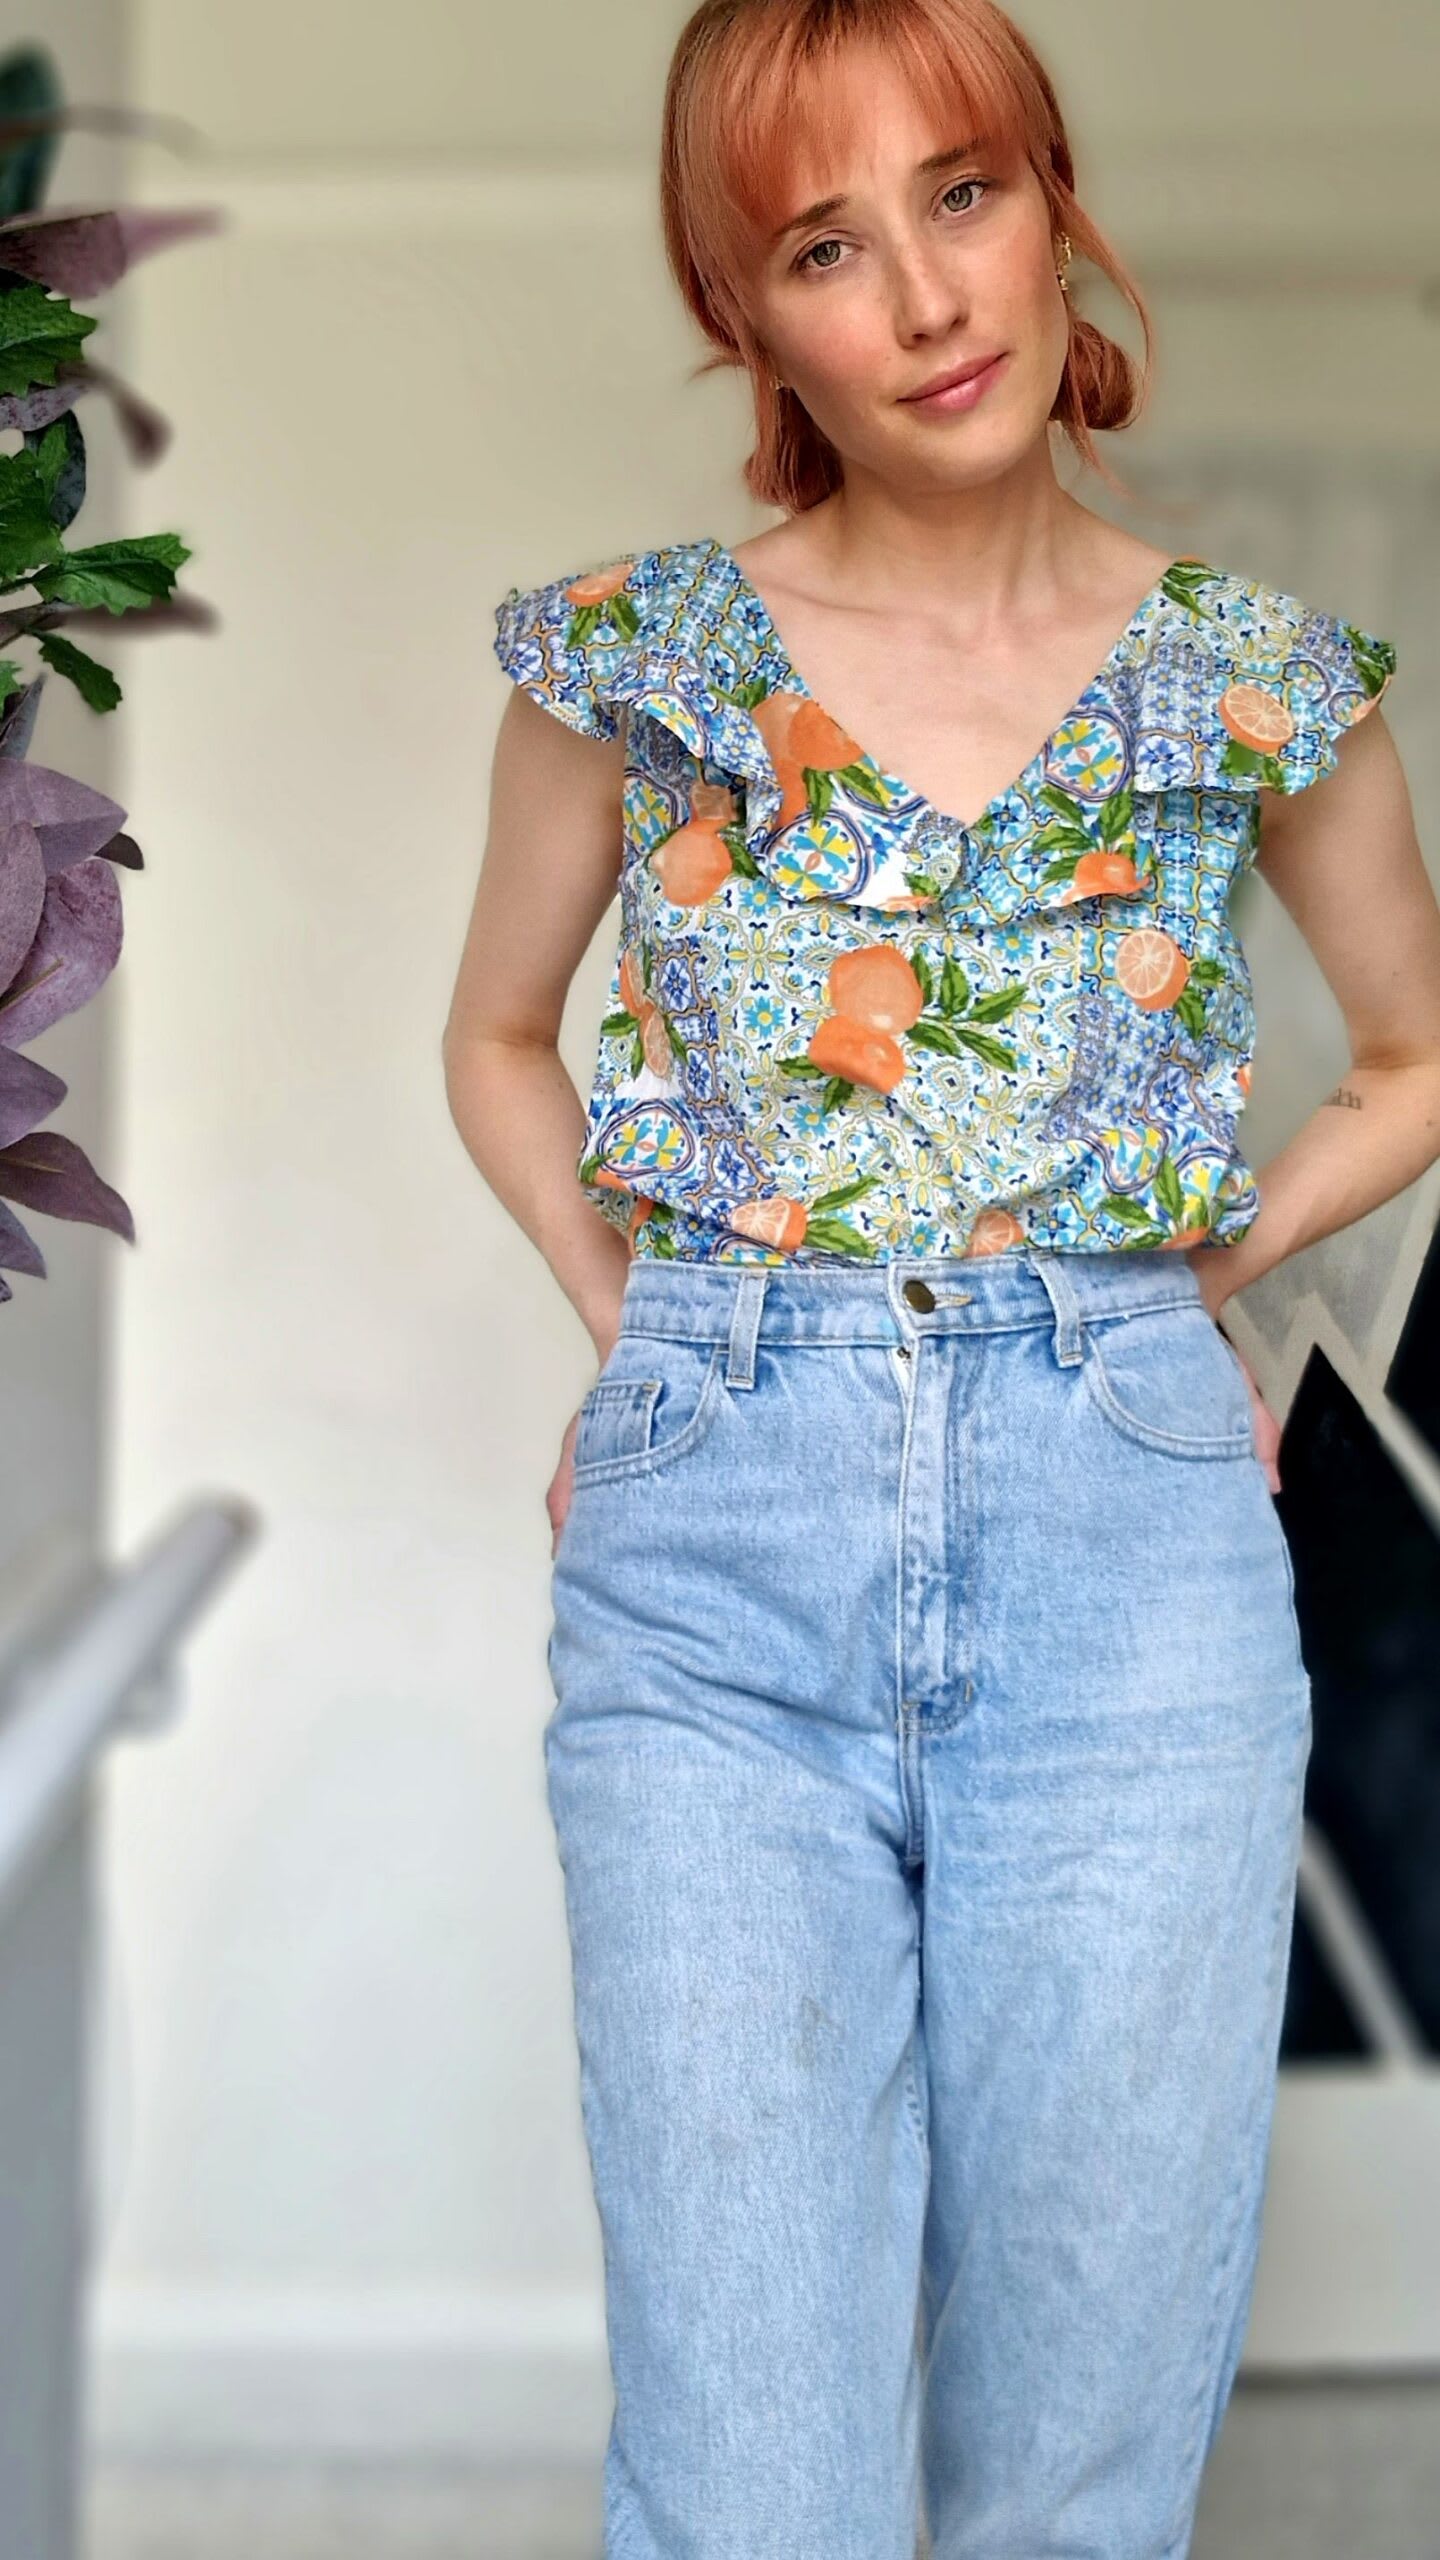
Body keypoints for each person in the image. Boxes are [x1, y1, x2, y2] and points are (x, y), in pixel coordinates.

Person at [443, 3, 1440, 2551]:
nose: (923, 292)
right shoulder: (626, 660)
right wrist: (638, 1331)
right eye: (821, 241)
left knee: (1076, 2472)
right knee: (748, 2475)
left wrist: (1187, 1272)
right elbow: (494, 1037)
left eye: (964, 193)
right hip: (713, 1564)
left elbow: (1415, 1052)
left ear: (1055, 196)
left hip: (1137, 1562)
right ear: (746, 310)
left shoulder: (1260, 678)